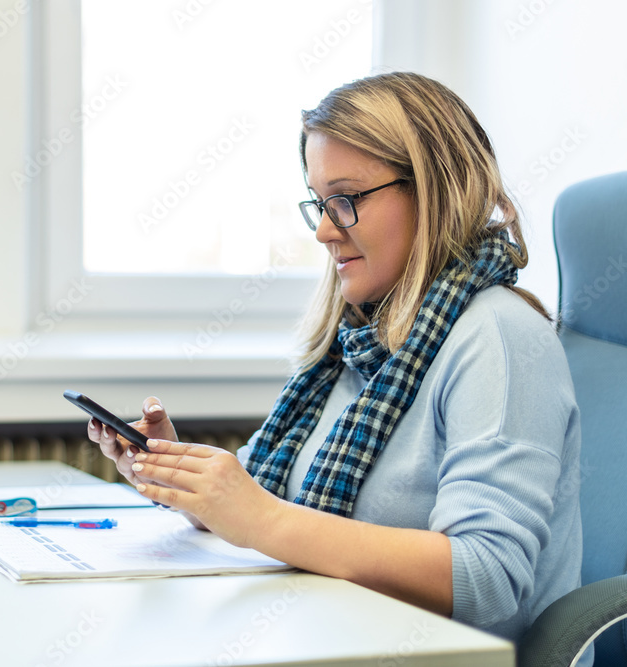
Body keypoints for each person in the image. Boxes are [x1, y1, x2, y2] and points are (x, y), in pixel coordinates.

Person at [86, 71, 586, 653]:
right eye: (320, 204)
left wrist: (264, 521)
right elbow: (260, 502)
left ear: (435, 190)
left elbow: (486, 578)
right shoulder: (358, 338)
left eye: (345, 200)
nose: (325, 230)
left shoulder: (501, 338)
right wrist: (177, 476)